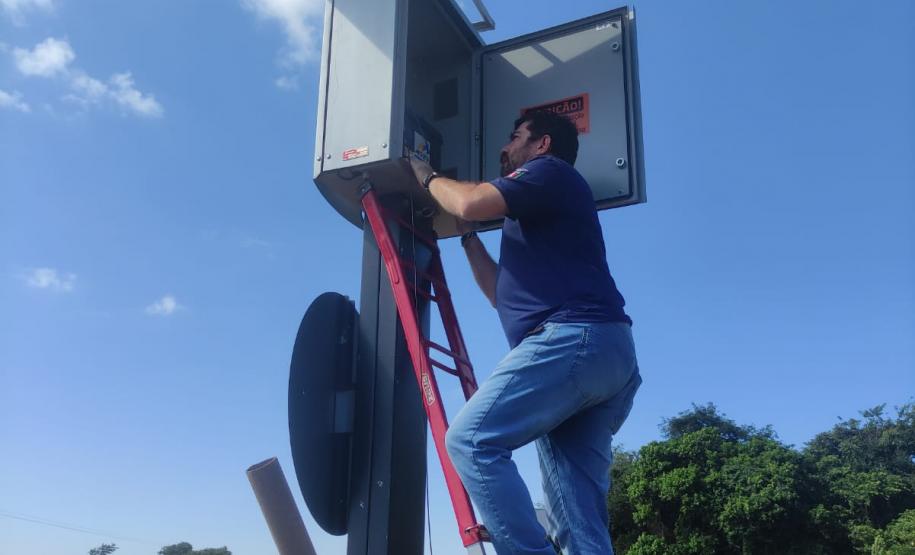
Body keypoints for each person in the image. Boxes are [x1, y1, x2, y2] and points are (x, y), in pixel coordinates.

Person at [409, 110, 642, 555]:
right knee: (578, 516)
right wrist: (468, 239)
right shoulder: (540, 209)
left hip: (574, 340)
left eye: (515, 137)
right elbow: (500, 294)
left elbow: (470, 202)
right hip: (604, 354)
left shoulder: (547, 172)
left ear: (542, 145)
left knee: (471, 441)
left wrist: (426, 176)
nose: (504, 147)